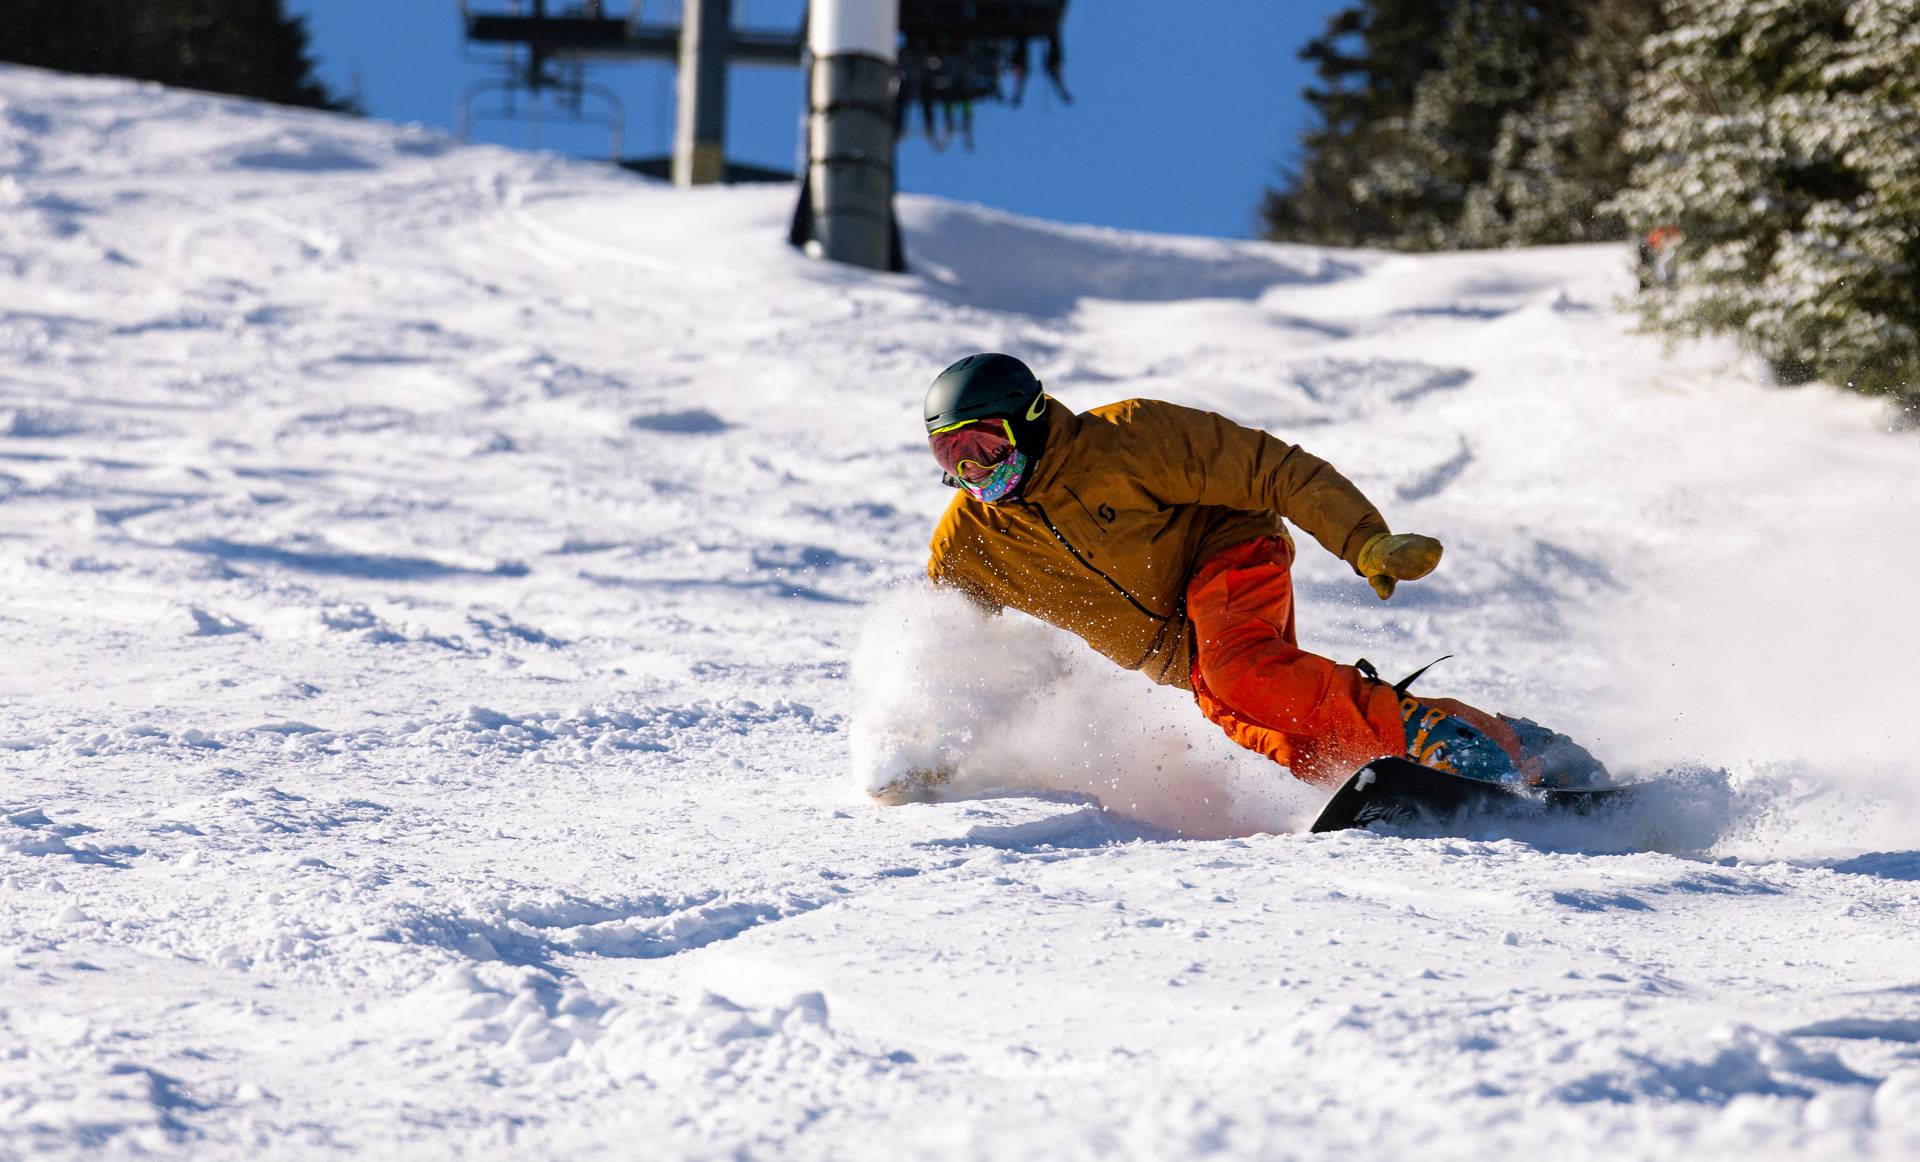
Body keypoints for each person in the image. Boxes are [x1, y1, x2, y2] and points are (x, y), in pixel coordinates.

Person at [899, 352, 1605, 801]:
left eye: (983, 445)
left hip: (1228, 551)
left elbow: (1273, 468)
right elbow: (946, 647)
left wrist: (1365, 541)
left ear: (1029, 420)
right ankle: (1513, 743)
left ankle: (1442, 744)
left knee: (1243, 671)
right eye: (950, 456)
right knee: (1281, 725)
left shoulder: (1129, 439)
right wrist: (925, 747)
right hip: (1178, 652)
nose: (973, 472)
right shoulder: (972, 539)